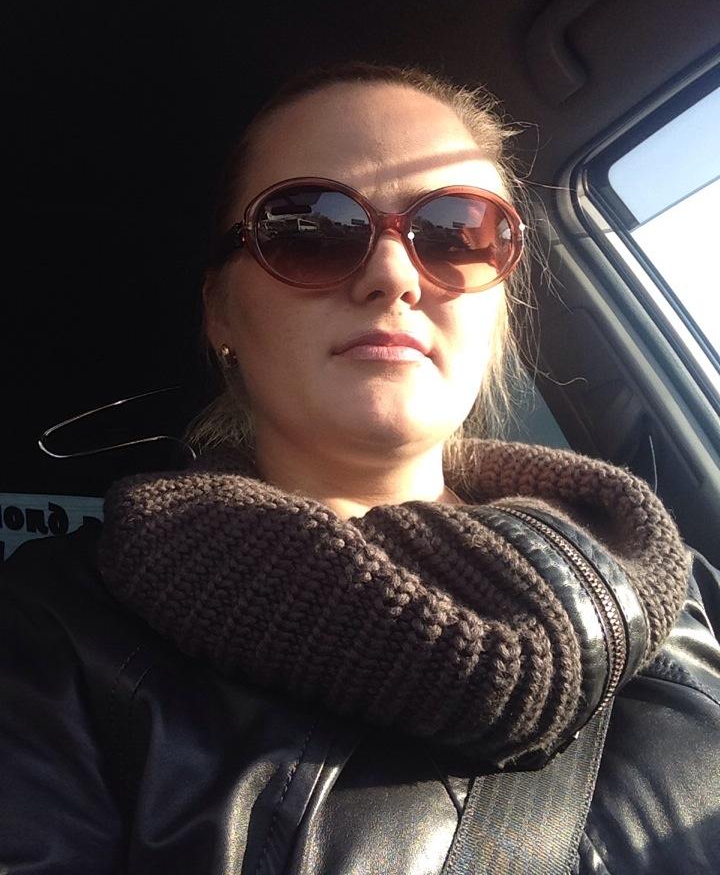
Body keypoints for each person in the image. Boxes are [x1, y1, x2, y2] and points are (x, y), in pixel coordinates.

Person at [2, 61, 720, 874]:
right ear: (219, 311)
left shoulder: (680, 591)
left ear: (498, 309)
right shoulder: (53, 639)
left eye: (456, 232)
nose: (393, 276)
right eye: (308, 230)